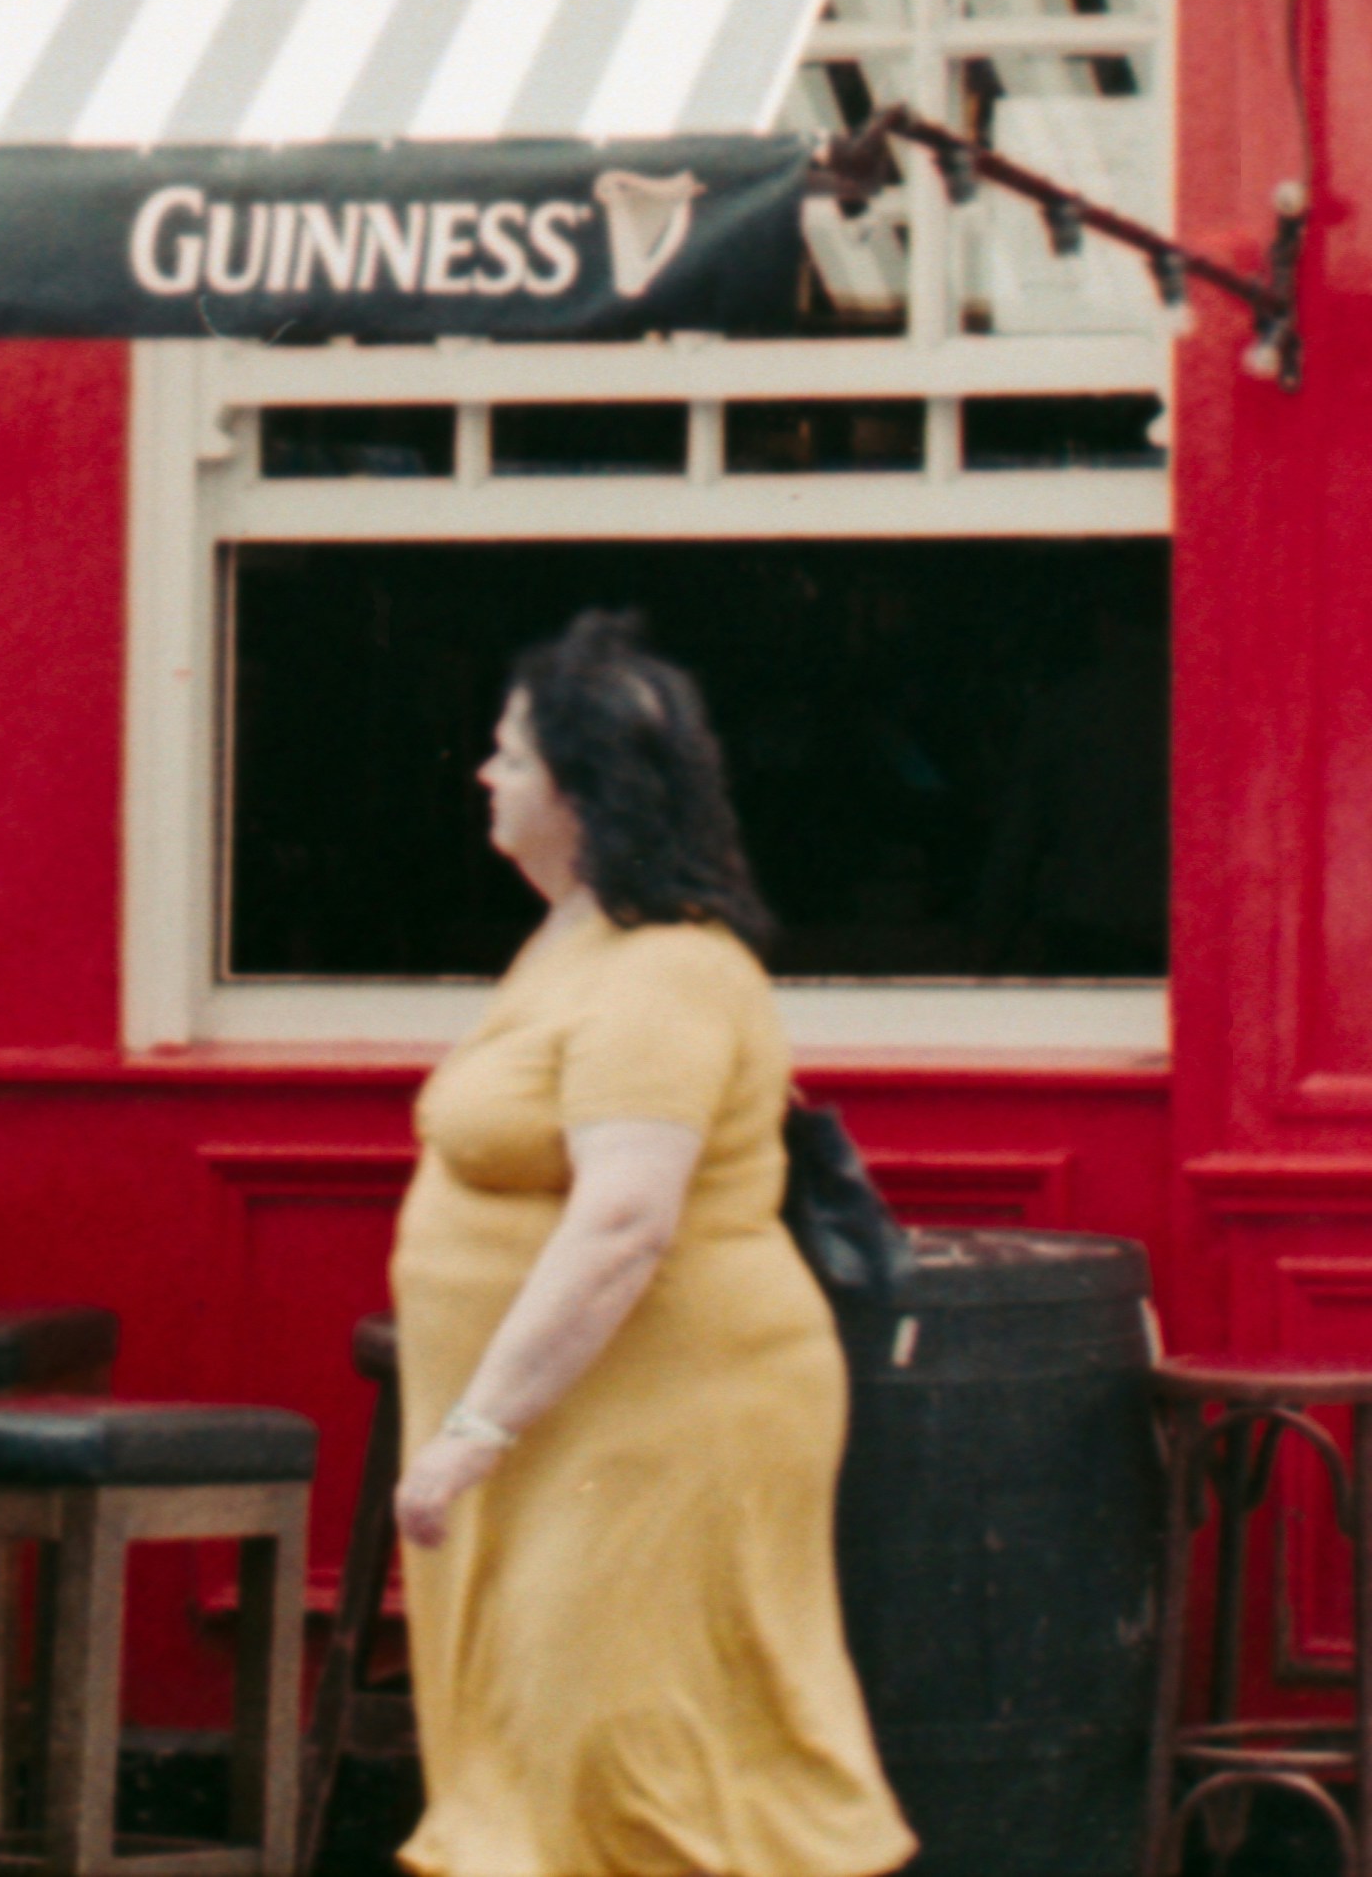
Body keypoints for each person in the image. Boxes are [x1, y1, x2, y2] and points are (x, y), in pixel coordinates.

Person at [393, 614, 909, 1877]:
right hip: (578, 1422)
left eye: (510, 755)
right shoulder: (576, 937)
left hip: (664, 1416)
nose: (485, 775)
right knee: (552, 1745)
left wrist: (474, 1430)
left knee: (623, 1751)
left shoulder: (668, 969)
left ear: (581, 789)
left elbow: (625, 1218)